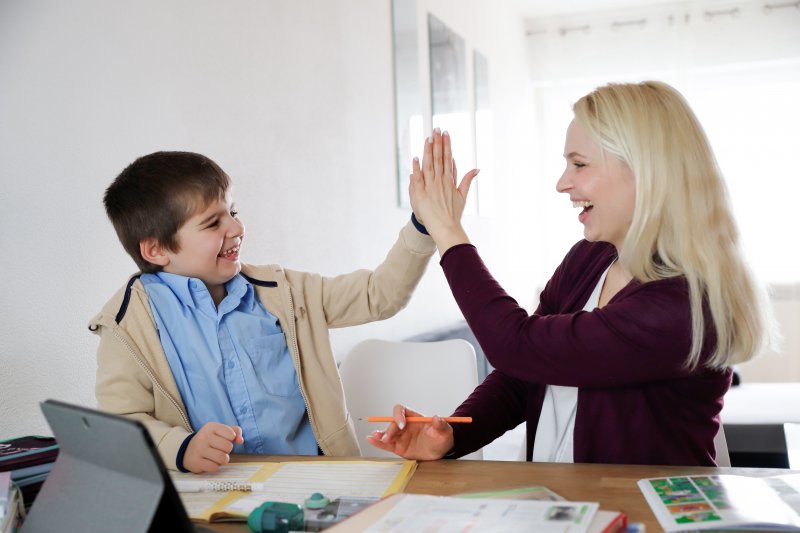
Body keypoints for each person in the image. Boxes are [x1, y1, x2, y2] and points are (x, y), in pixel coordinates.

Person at [367, 81, 774, 466]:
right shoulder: (589, 259)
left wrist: (448, 233)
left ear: (646, 173)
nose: (563, 183)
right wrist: (454, 433)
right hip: (565, 505)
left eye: (579, 164)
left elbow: (515, 345)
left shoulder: (683, 303)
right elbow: (524, 372)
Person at [89, 151, 438, 472]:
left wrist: (423, 224)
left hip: (315, 481)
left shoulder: (285, 292)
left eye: (233, 213)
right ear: (157, 249)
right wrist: (181, 448)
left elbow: (380, 295)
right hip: (213, 495)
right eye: (213, 224)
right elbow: (123, 422)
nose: (237, 229)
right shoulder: (126, 325)